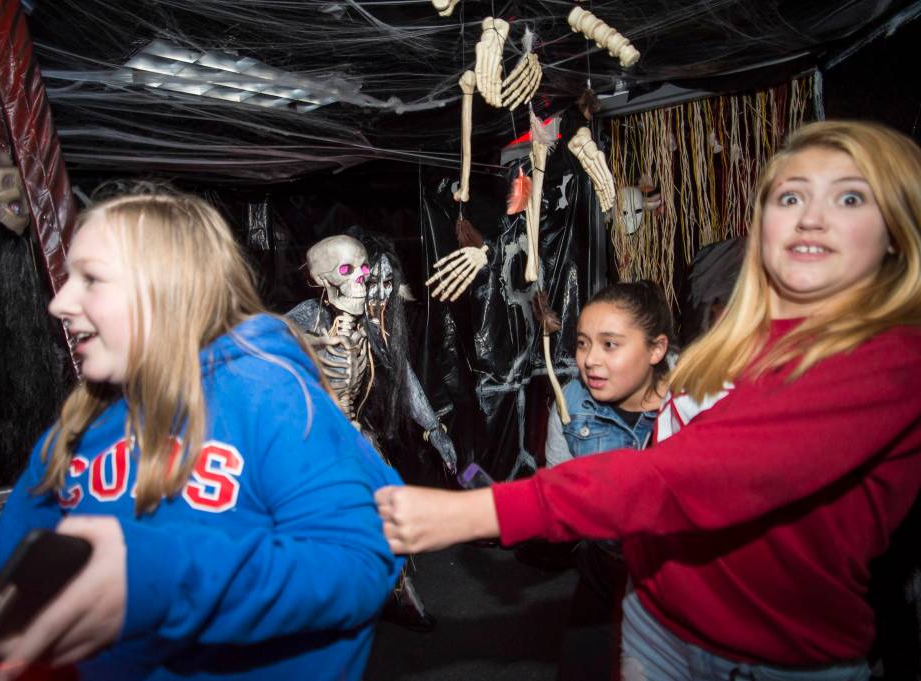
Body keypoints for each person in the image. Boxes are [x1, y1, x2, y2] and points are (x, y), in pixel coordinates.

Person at [376, 119, 921, 680]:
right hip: (659, 617)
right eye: (790, 196)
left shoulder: (888, 364)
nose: (811, 216)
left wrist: (478, 512)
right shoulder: (728, 355)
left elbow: (687, 479)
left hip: (775, 655)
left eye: (850, 197)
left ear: (896, 232)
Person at [0, 189, 402, 681]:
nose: (59, 303)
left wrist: (162, 574)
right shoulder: (77, 433)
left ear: (165, 288)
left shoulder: (273, 396)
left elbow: (360, 564)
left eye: (91, 279)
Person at [544, 281, 671, 681]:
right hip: (604, 567)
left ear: (657, 349)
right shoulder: (571, 403)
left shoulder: (693, 398)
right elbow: (555, 495)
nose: (590, 361)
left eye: (610, 344)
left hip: (675, 576)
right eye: (583, 344)